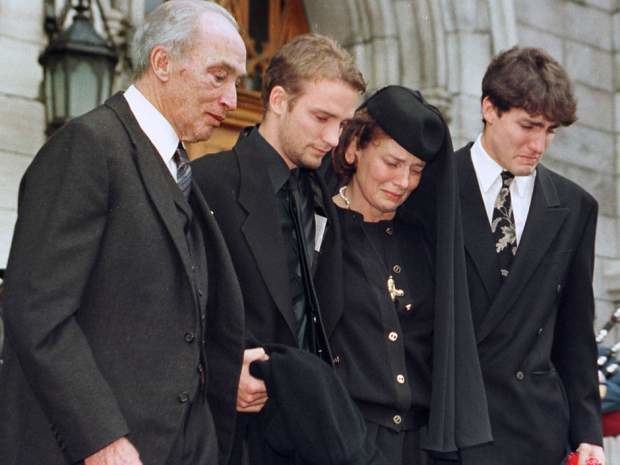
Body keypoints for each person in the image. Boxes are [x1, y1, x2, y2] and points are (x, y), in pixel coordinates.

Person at [0, 1, 246, 465]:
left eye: (238, 82)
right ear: (162, 63)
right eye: (219, 76)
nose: (232, 100)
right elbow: (37, 311)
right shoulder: (88, 147)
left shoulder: (178, 168)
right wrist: (100, 438)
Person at [192, 33, 366, 465]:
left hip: (307, 432)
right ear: (277, 100)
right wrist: (219, 372)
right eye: (321, 117)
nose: (332, 138)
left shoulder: (322, 194)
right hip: (236, 434)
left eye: (342, 124)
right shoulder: (207, 183)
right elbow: (175, 305)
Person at [319, 85, 492, 464]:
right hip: (342, 442)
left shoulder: (426, 243)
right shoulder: (317, 229)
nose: (404, 182)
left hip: (418, 447)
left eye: (416, 170)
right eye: (392, 163)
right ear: (353, 149)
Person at [455, 46, 605, 465]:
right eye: (528, 126)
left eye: (551, 130)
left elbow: (576, 331)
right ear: (489, 108)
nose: (539, 145)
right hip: (453, 428)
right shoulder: (435, 188)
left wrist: (588, 431)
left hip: (536, 432)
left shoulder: (575, 207)